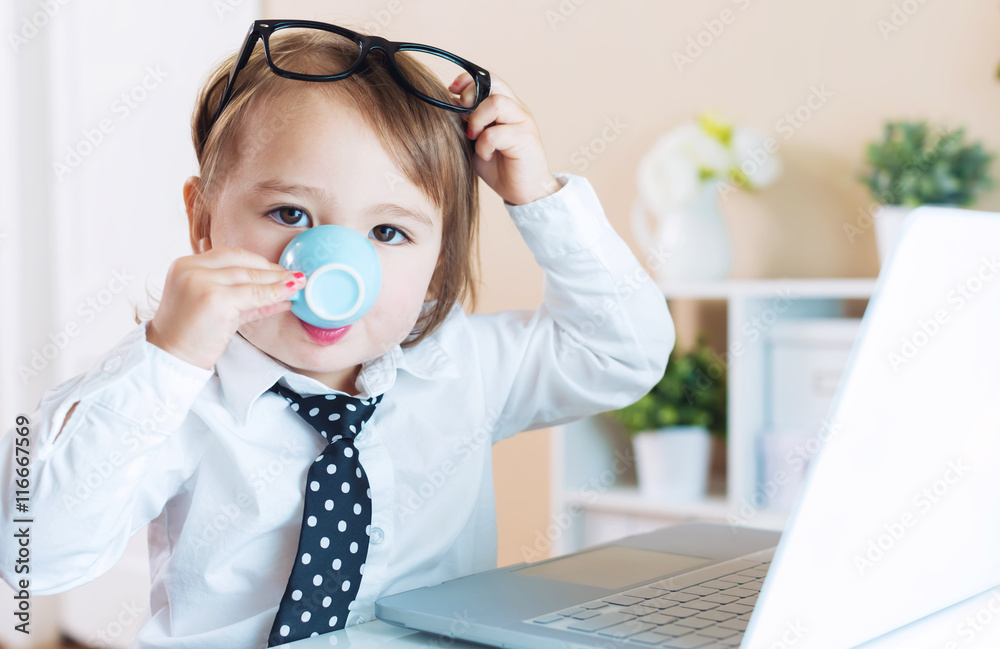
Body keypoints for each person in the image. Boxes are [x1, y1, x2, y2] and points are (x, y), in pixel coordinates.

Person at [0, 20, 675, 648]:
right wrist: (164, 359)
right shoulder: (173, 392)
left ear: (437, 257)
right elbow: (32, 552)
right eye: (289, 212)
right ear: (203, 221)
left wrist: (540, 199)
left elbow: (624, 353)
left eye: (388, 232)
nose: (330, 263)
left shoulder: (463, 368)